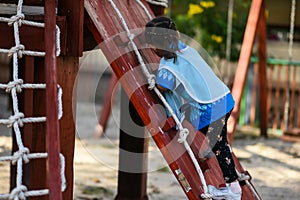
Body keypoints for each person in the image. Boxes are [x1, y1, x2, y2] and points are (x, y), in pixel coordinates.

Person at [145, 16, 242, 200]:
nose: (150, 49)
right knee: (217, 138)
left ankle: (233, 189)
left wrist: (153, 79)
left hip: (210, 108)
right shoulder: (185, 49)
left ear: (157, 46)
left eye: (151, 45)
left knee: (220, 144)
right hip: (224, 98)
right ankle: (209, 147)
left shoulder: (168, 67)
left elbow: (163, 86)